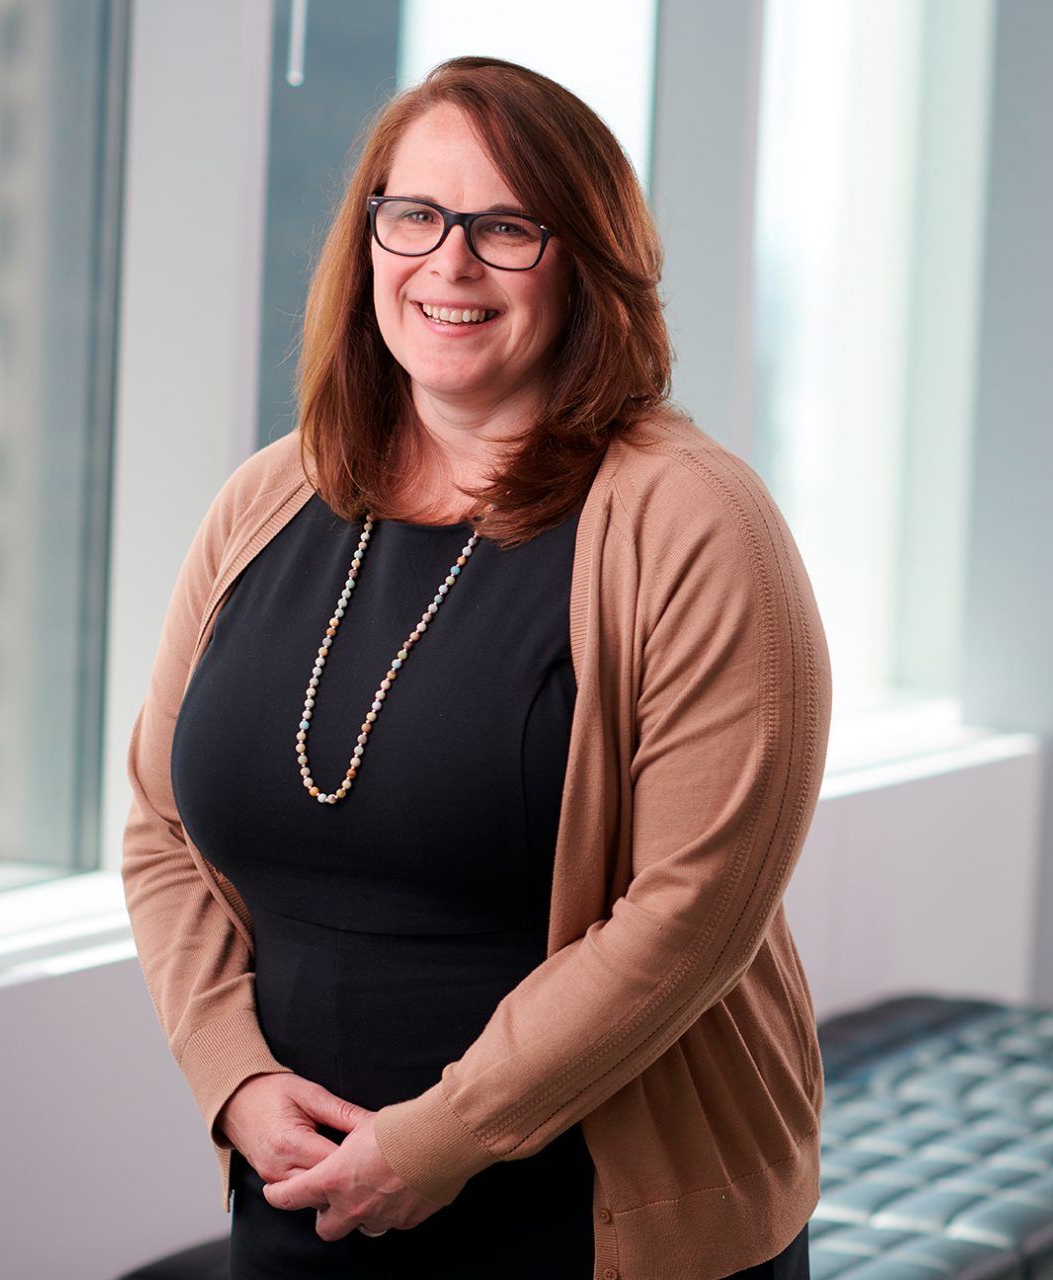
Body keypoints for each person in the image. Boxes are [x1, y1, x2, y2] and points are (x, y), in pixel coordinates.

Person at [123, 55, 831, 1280]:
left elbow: (691, 912)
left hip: (592, 1222)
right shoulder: (268, 494)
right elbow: (158, 825)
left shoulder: (694, 519)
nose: (447, 263)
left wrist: (439, 1139)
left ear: (585, 261)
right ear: (368, 241)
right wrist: (226, 1073)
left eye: (505, 227)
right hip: (303, 1205)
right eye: (414, 216)